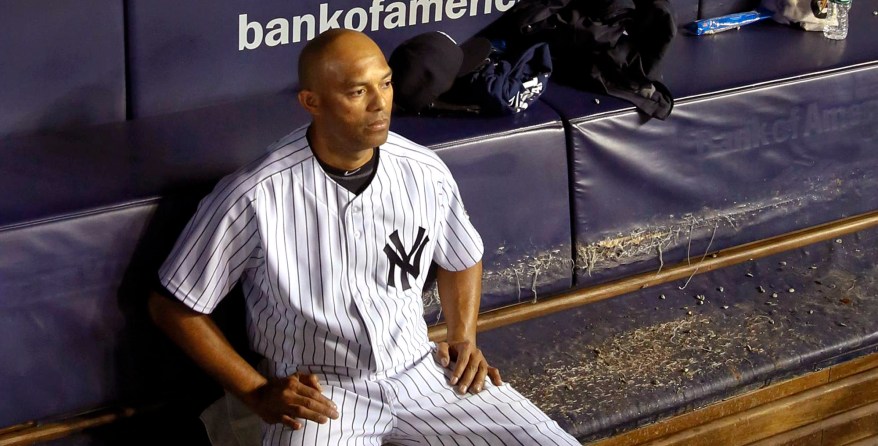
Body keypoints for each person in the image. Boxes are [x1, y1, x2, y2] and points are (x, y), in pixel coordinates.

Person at [148, 28, 579, 445]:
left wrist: (464, 336)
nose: (380, 104)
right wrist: (256, 391)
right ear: (311, 102)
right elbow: (174, 306)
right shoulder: (255, 193)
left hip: (421, 371)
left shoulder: (423, 170)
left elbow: (462, 255)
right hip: (321, 392)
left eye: (386, 84)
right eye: (358, 92)